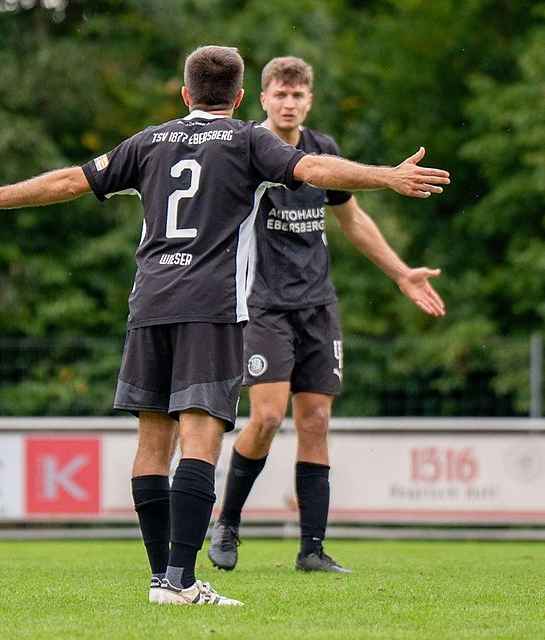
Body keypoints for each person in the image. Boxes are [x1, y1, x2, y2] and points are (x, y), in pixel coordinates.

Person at [0, 45, 450, 606]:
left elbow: (69, 182)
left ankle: (164, 578)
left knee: (152, 442)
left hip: (149, 306)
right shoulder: (247, 139)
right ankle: (181, 581)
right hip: (211, 309)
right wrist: (388, 176)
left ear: (184, 94)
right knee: (201, 439)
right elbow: (315, 170)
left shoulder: (150, 140)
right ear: (239, 99)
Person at [208, 57, 446, 575]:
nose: (289, 103)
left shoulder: (325, 151)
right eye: (279, 94)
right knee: (268, 417)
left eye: (298, 95)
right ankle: (226, 521)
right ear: (262, 98)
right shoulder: (248, 150)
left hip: (318, 306)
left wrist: (402, 273)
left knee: (314, 422)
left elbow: (353, 220)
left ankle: (311, 549)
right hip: (264, 304)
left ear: (309, 101)